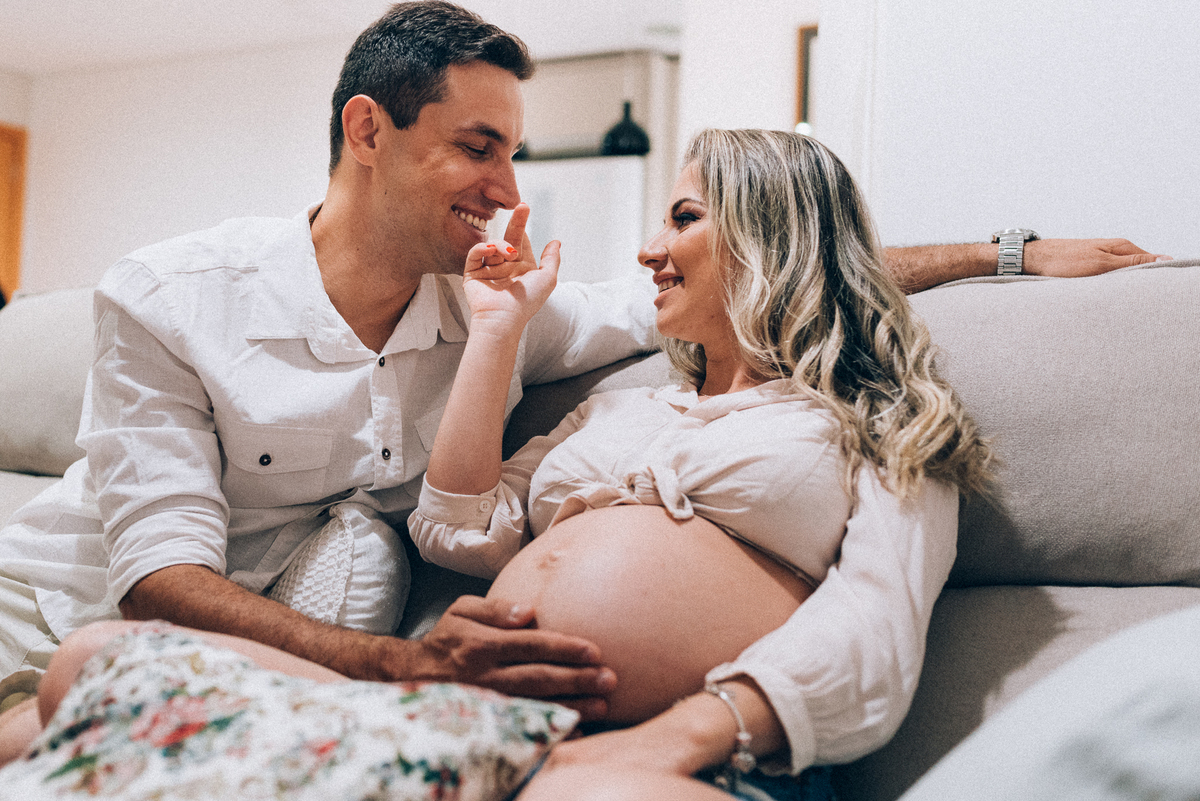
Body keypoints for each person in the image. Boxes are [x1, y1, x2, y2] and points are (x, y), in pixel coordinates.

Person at [0, 0, 1168, 765]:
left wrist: (1004, 254)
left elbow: (773, 269)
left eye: (513, 151)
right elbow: (161, 579)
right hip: (62, 609)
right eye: (479, 147)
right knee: (81, 670)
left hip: (404, 684)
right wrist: (402, 665)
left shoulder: (513, 313)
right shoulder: (169, 296)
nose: (510, 190)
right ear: (367, 130)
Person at [403, 127, 993, 798]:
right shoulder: (612, 411)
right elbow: (455, 527)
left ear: (771, 236)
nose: (648, 250)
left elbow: (874, 623)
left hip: (701, 762)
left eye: (684, 219)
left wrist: (667, 743)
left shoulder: (881, 417)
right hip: (492, 729)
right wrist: (496, 329)